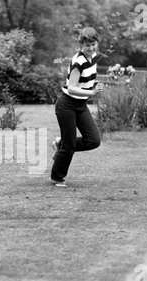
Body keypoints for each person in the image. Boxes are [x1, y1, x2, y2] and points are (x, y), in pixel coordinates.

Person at [50, 27, 105, 187]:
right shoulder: (78, 61)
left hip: (80, 105)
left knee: (93, 140)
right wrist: (92, 92)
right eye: (87, 45)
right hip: (67, 105)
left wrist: (94, 85)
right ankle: (56, 177)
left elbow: (86, 79)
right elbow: (71, 87)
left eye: (93, 44)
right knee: (70, 145)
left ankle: (61, 144)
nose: (91, 48)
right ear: (81, 44)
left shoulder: (94, 58)